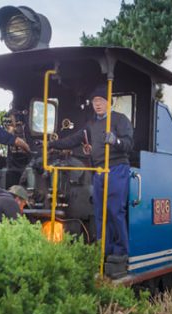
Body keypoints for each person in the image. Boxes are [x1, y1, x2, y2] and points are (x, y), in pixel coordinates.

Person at [49, 85, 133, 262]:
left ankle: (121, 252)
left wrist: (115, 140)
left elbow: (128, 145)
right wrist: (51, 145)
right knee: (100, 211)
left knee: (115, 210)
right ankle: (104, 248)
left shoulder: (120, 120)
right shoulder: (91, 125)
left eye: (101, 101)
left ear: (109, 103)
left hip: (117, 168)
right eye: (95, 102)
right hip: (98, 171)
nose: (98, 104)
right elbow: (74, 139)